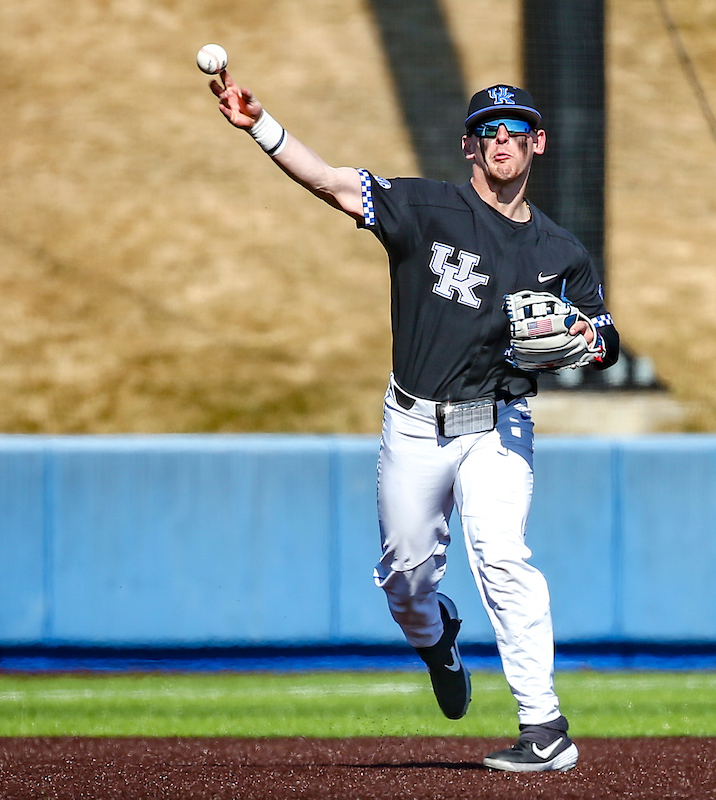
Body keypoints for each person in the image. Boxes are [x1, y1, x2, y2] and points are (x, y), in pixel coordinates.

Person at [210, 73, 620, 772]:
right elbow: (333, 184)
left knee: (503, 555)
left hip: (498, 422)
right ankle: (438, 639)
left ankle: (546, 728)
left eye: (515, 129)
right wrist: (261, 125)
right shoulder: (427, 209)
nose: (501, 139)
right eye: (488, 130)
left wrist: (589, 343)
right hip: (415, 424)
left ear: (538, 143)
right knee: (406, 582)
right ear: (468, 145)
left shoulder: (561, 253)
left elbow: (606, 339)